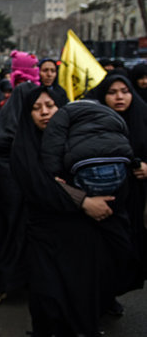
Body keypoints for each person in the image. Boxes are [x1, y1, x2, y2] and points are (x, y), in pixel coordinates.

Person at [11, 87, 134, 336]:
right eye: (37, 108)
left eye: (51, 106)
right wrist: (84, 202)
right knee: (48, 298)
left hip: (82, 236)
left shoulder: (81, 139)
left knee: (82, 296)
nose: (45, 112)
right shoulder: (24, 145)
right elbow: (39, 186)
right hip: (44, 235)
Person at [0, 81, 39, 303]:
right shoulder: (4, 129)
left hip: (30, 196)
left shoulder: (35, 126)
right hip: (7, 196)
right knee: (5, 237)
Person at [93, 74, 147, 289]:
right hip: (105, 197)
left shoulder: (143, 117)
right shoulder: (94, 123)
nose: (120, 97)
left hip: (136, 197)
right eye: (112, 92)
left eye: (125, 92)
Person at [41, 99, 133, 196]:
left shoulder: (64, 112)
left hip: (86, 165)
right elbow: (124, 130)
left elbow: (54, 141)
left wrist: (54, 173)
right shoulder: (108, 110)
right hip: (119, 164)